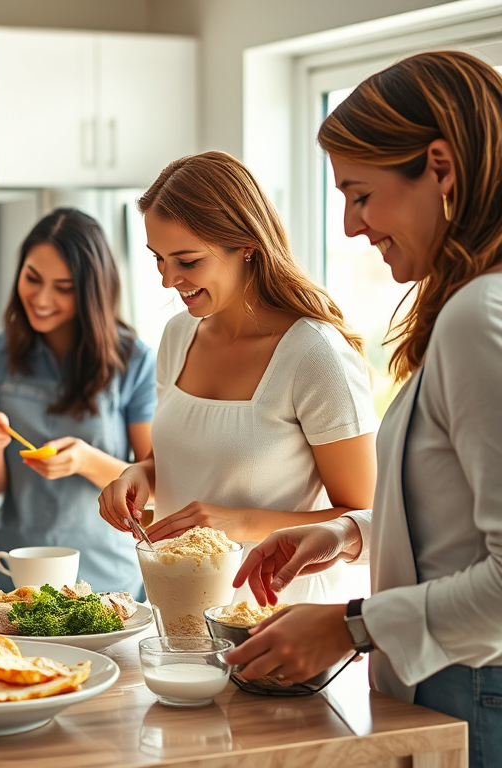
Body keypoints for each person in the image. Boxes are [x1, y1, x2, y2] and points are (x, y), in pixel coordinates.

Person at [226, 51, 502, 767]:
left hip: (474, 691)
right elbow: (462, 527)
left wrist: (350, 626)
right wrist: (349, 535)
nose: (351, 226)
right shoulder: (476, 308)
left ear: (440, 168)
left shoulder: (480, 316)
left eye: (361, 194)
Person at [98, 151, 378, 605]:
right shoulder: (178, 335)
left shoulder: (314, 354)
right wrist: (140, 476)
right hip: (179, 606)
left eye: (187, 261)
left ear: (246, 243)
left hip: (277, 614)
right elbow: (182, 462)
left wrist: (240, 522)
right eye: (158, 259)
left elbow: (364, 518)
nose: (169, 280)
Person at [0, 208, 156, 595]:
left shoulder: (133, 360)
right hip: (15, 572)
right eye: (32, 278)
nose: (41, 298)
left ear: (92, 290)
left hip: (105, 574)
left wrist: (86, 461)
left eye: (64, 287)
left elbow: (155, 484)